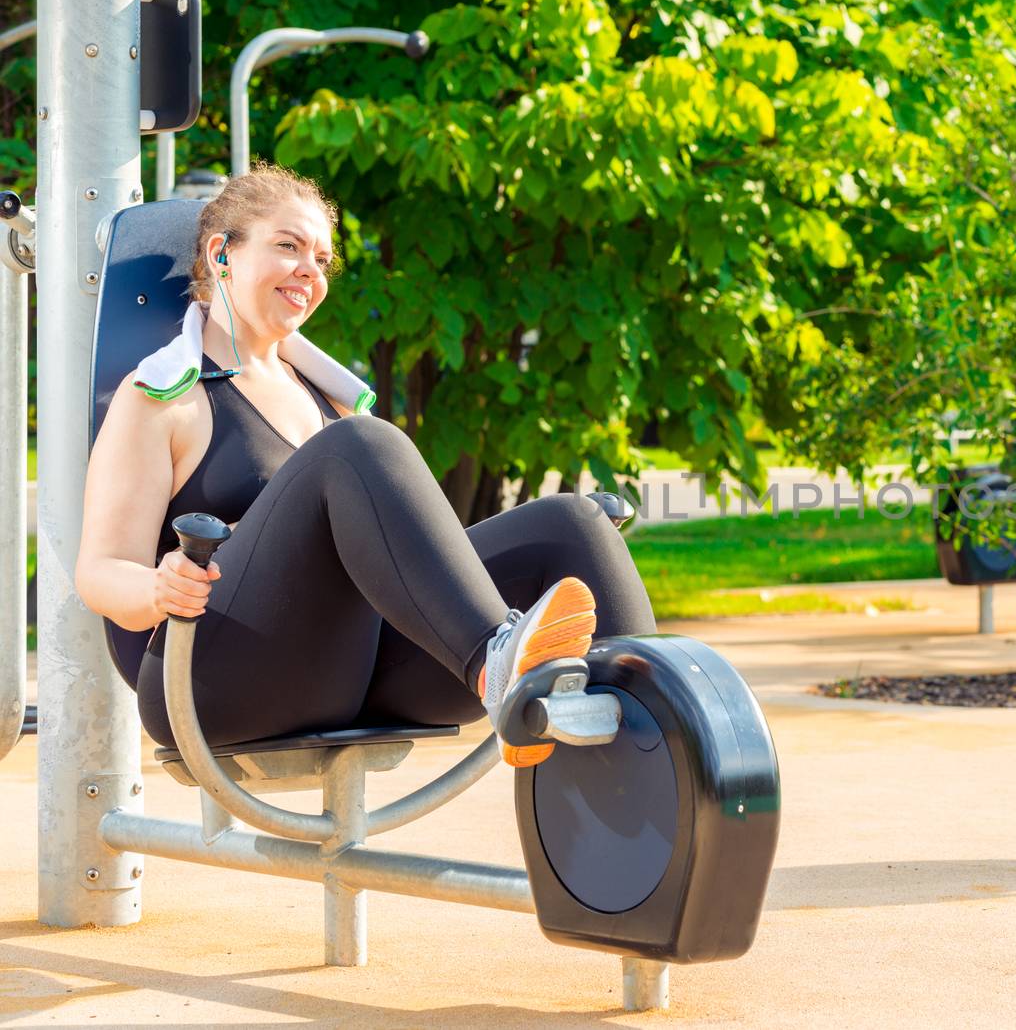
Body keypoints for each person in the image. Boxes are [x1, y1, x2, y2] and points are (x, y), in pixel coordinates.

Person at [74, 162, 656, 767]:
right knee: (361, 445)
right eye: (288, 246)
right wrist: (160, 587)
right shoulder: (163, 396)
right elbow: (100, 572)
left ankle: (667, 735)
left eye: (322, 259)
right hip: (213, 681)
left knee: (573, 524)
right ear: (223, 253)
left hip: (355, 670)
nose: (311, 270)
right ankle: (497, 661)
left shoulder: (329, 398)